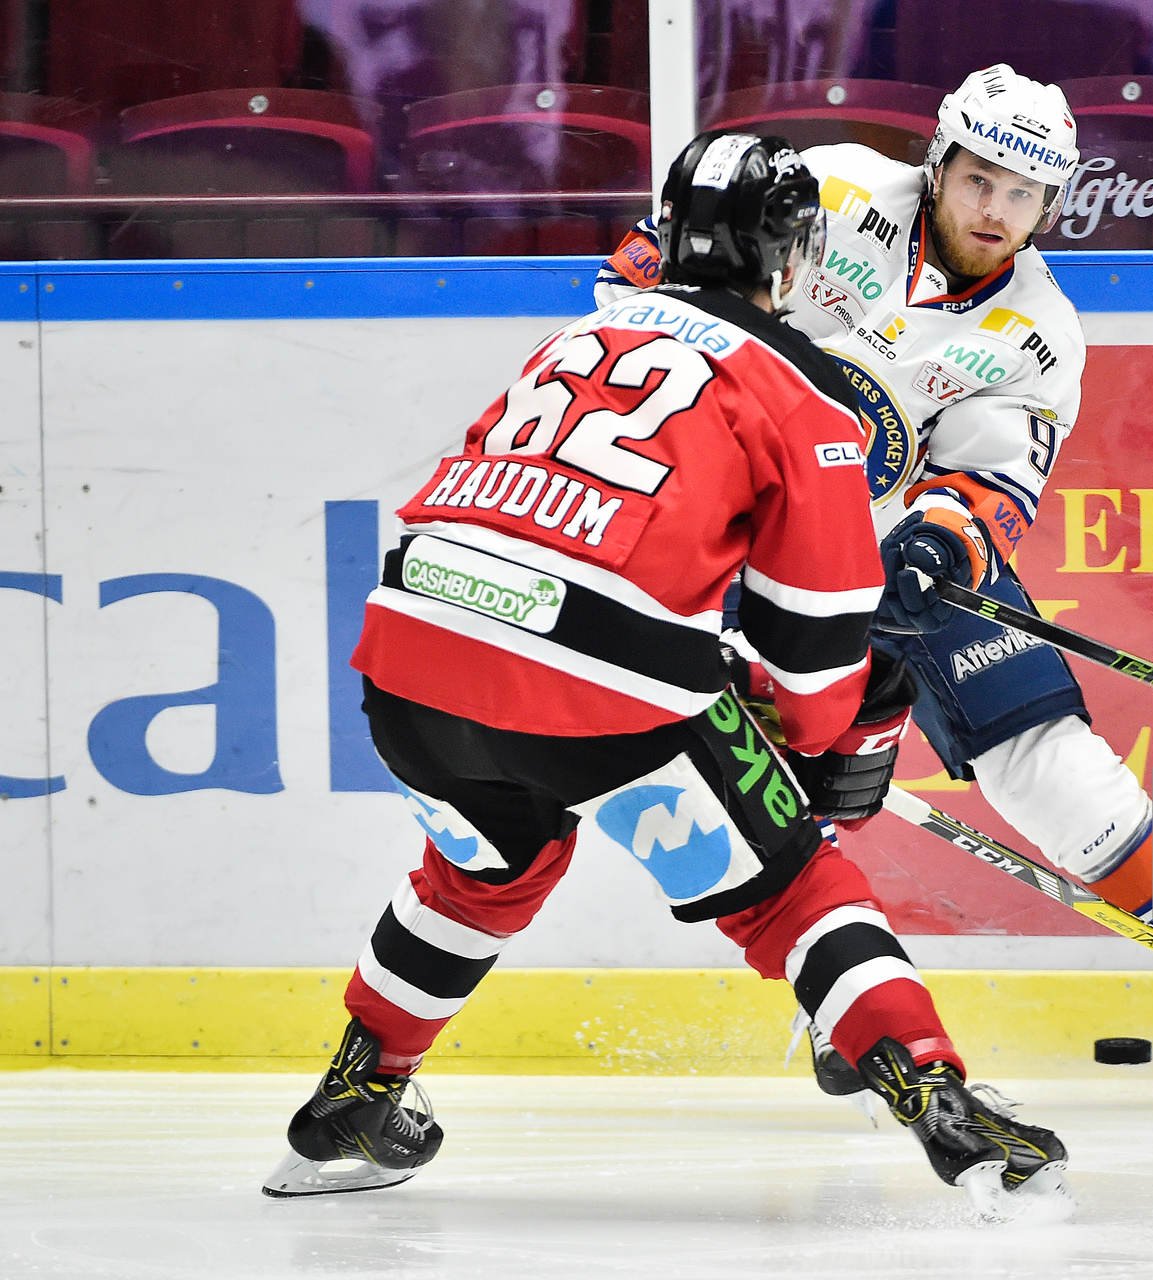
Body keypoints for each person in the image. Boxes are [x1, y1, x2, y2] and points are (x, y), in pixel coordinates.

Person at [262, 130, 1068, 1218]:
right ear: (793, 258)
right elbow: (820, 656)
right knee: (795, 885)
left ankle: (357, 1093)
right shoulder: (807, 397)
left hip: (409, 646)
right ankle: (941, 1099)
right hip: (597, 675)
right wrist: (814, 738)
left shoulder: (577, 333)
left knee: (484, 872)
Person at [596, 65, 1153, 1105]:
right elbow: (650, 259)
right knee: (795, 798)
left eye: (1025, 193)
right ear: (939, 162)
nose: (997, 210)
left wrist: (942, 539)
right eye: (981, 178)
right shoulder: (834, 189)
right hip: (745, 539)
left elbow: (988, 480)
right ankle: (843, 1005)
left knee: (1047, 759)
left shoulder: (1039, 332)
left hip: (891, 548)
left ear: (1053, 202)